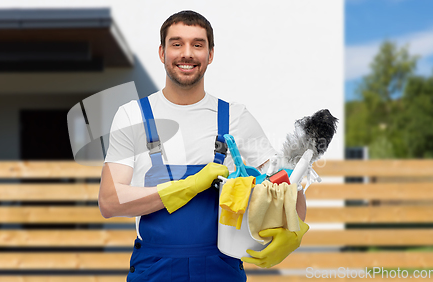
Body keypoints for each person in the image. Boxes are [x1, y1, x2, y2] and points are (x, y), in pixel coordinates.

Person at [99, 10, 307, 281]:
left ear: (210, 55)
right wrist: (190, 185)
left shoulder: (235, 118)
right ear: (162, 53)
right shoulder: (133, 116)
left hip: (221, 267)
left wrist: (294, 229)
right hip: (154, 269)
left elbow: (284, 187)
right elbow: (110, 200)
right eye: (177, 44)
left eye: (198, 45)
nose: (187, 53)